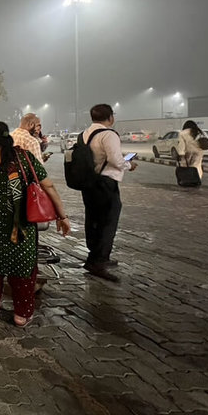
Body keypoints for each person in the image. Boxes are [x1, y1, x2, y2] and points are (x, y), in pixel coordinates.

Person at [0, 122, 70, 327]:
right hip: (21, 227)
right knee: (22, 272)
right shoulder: (24, 158)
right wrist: (62, 216)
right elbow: (48, 186)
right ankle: (21, 315)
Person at [80, 104, 137, 282]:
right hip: (106, 183)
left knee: (92, 220)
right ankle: (99, 261)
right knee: (107, 222)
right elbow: (116, 160)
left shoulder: (84, 134)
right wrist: (129, 164)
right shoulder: (109, 134)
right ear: (110, 117)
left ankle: (94, 257)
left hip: (89, 182)